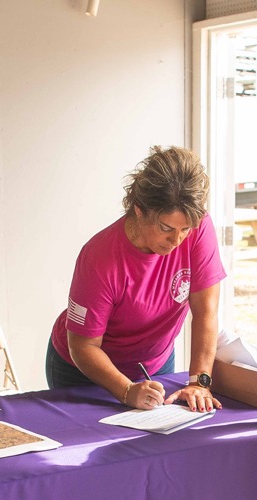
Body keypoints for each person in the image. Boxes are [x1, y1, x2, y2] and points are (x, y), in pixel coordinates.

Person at [46, 145, 225, 412]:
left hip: (154, 364)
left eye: (185, 229)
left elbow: (205, 312)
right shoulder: (98, 257)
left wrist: (199, 382)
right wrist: (126, 390)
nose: (177, 240)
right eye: (166, 228)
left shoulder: (198, 229)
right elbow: (83, 345)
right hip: (84, 372)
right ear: (139, 210)